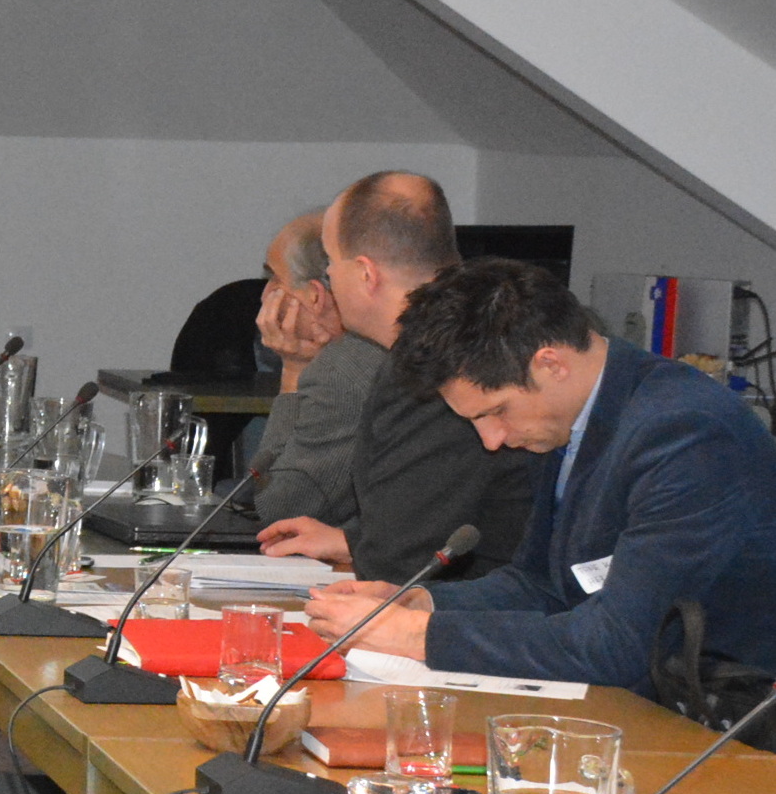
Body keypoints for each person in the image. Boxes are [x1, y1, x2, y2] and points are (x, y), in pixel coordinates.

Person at [302, 259, 776, 688]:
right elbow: (541, 585)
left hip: (713, 719)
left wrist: (415, 635)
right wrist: (419, 604)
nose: (491, 439)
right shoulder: (569, 417)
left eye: (496, 411)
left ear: (550, 364)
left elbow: (619, 646)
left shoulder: (686, 434)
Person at [257, 171, 536, 581]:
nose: (329, 280)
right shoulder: (473, 332)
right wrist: (352, 540)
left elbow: (404, 554)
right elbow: (434, 505)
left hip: (480, 597)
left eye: (331, 263)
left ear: (366, 274)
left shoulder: (428, 362)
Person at [246, 209, 381, 526]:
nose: (265, 295)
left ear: (316, 296)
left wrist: (294, 371)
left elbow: (280, 509)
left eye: (275, 279)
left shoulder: (345, 369)